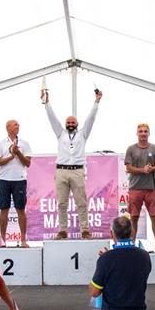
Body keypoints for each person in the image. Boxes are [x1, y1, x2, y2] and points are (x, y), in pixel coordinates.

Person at [42, 88, 103, 240]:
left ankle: (85, 230)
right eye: (68, 122)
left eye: (73, 122)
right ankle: (62, 231)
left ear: (77, 124)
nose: (70, 124)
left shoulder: (83, 134)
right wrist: (47, 103)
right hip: (61, 171)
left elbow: (91, 119)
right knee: (61, 203)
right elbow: (52, 119)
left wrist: (96, 102)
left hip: (77, 171)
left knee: (81, 203)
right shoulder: (60, 133)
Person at [124, 123, 155, 251]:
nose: (143, 133)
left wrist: (151, 168)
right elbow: (128, 167)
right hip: (135, 188)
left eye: (145, 131)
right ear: (137, 133)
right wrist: (143, 170)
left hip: (151, 188)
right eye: (140, 131)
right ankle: (131, 244)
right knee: (133, 217)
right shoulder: (131, 149)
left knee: (154, 216)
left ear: (149, 133)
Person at [0, 120, 32, 247]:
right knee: (4, 209)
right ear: (8, 128)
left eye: (18, 125)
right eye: (15, 125)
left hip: (19, 179)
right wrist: (11, 156)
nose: (18, 126)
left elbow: (27, 163)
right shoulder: (0, 144)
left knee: (20, 209)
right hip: (4, 179)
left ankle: (23, 239)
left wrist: (18, 152)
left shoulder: (25, 144)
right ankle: (3, 239)